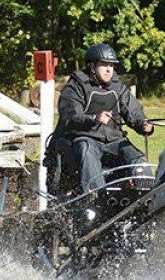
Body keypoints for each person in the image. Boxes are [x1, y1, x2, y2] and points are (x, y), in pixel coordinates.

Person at [55, 43, 154, 193]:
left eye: (111, 66)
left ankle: (145, 196)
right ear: (92, 66)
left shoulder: (117, 87)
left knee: (137, 158)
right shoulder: (76, 85)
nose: (109, 70)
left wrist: (143, 125)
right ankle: (97, 196)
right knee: (86, 150)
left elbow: (133, 113)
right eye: (104, 65)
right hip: (85, 139)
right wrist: (94, 118)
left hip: (114, 141)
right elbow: (70, 115)